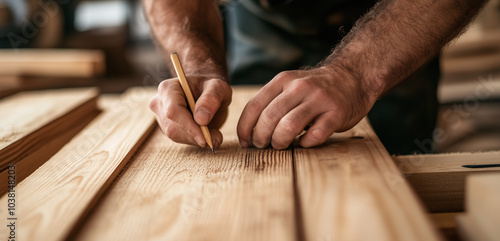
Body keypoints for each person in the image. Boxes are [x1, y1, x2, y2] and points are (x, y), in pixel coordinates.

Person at [143, 0, 485, 154]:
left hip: (393, 19)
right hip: (263, 19)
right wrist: (198, 65)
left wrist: (356, 75)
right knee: (260, 140)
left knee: (391, 168)